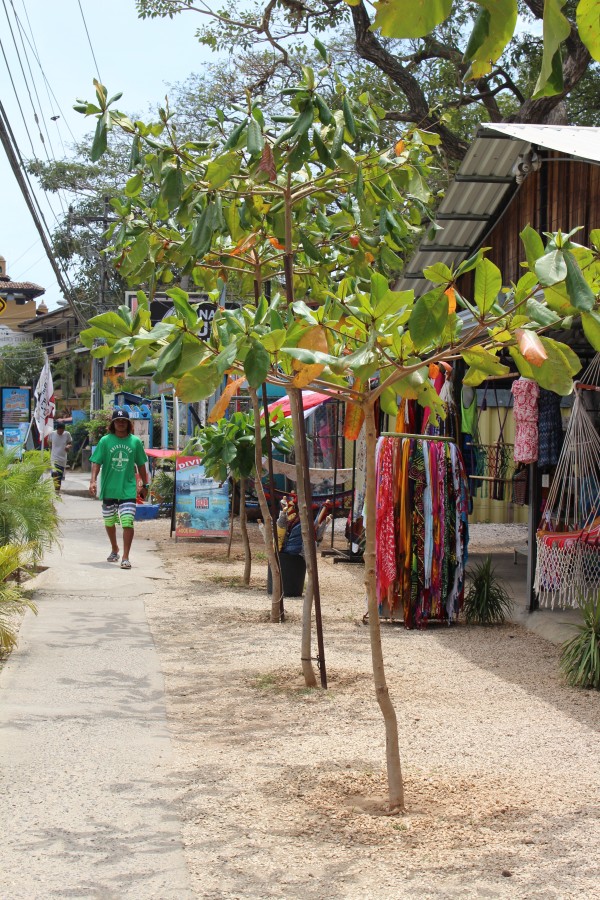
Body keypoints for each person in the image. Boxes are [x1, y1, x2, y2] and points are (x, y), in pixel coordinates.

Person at [89, 409, 150, 570]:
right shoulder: (105, 441)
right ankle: (115, 548)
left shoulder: (135, 442)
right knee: (109, 522)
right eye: (118, 421)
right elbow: (96, 462)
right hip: (109, 488)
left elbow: (141, 465)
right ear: (113, 423)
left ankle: (125, 557)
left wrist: (145, 485)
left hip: (128, 489)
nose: (121, 423)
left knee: (127, 521)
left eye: (124, 421)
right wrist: (93, 481)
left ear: (128, 423)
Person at [48, 421, 72, 492]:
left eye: (62, 431)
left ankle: (57, 490)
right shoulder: (52, 434)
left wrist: (68, 446)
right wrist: (51, 449)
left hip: (62, 459)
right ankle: (56, 489)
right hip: (54, 458)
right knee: (55, 473)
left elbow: (70, 443)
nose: (61, 432)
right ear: (57, 429)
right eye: (60, 431)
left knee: (59, 476)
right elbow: (48, 441)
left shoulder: (67, 434)